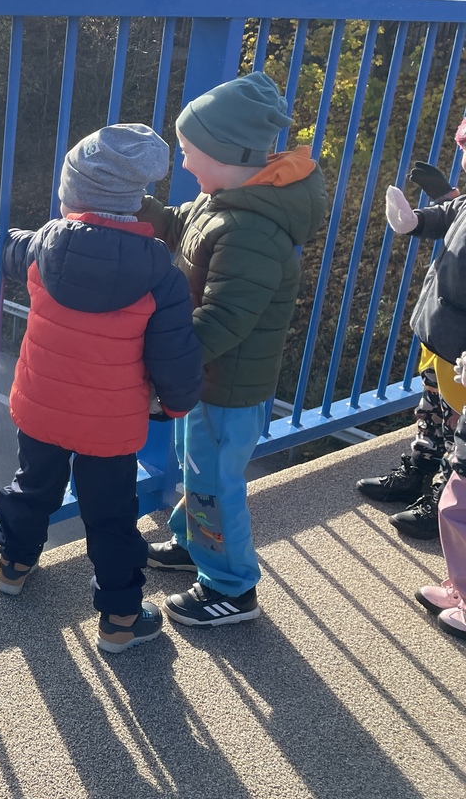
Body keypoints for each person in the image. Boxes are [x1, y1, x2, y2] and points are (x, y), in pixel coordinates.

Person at [0, 123, 203, 653]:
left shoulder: (47, 244)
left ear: (74, 195)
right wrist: (177, 404)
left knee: (32, 485)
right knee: (111, 516)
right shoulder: (161, 273)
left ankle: (14, 565)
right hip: (110, 427)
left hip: (42, 408)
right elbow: (174, 353)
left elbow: (7, 248)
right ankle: (119, 619)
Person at [138, 71, 328, 627]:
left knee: (214, 485)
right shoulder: (223, 198)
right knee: (197, 471)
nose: (184, 162)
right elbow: (185, 229)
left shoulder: (252, 231)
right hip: (205, 378)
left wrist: (166, 367)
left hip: (227, 385)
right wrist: (142, 211)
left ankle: (230, 586)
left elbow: (224, 320)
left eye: (190, 150)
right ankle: (194, 544)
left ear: (227, 152)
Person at [387, 115, 466, 640]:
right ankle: (460, 585)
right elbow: (451, 212)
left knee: (462, 492)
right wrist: (415, 220)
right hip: (448, 341)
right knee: (459, 482)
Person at [357, 160, 463, 539]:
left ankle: (446, 499)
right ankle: (419, 469)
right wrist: (415, 220)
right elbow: (450, 215)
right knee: (432, 405)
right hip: (439, 327)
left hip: (462, 346)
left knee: (459, 426)